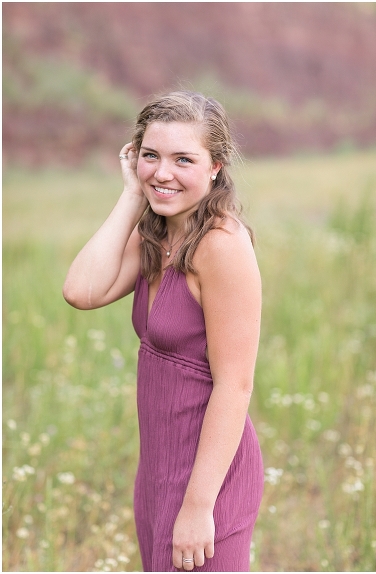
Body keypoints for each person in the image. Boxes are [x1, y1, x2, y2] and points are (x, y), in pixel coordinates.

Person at [63, 91, 264, 571]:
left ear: (215, 166)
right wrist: (133, 196)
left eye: (183, 160)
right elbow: (81, 290)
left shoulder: (222, 246)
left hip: (208, 481)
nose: (162, 173)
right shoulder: (158, 234)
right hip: (157, 471)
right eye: (151, 156)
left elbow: (235, 386)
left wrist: (197, 506)